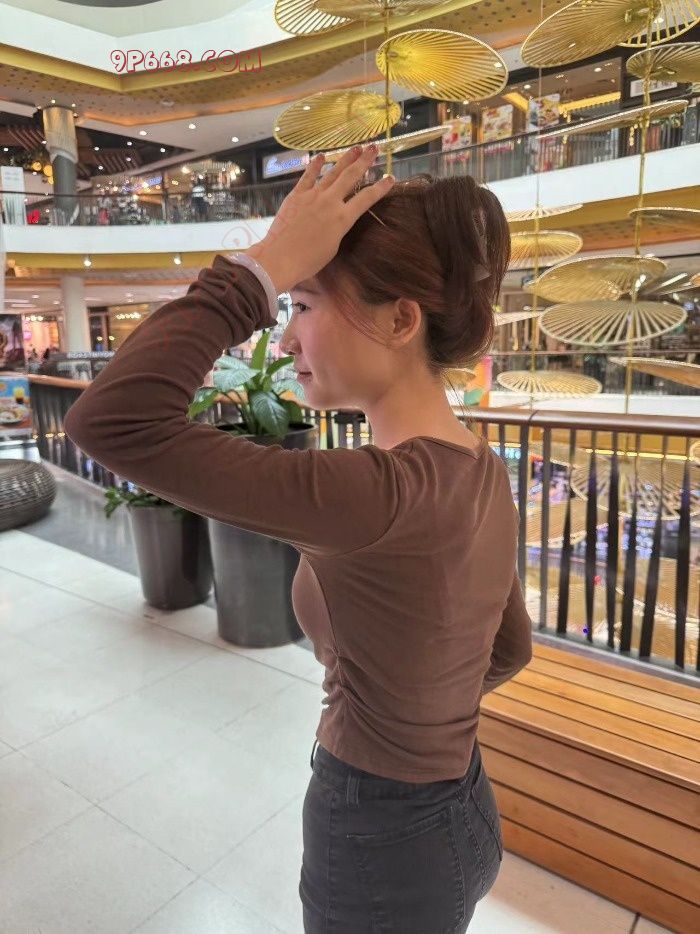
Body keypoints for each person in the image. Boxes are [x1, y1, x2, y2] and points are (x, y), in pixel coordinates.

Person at [63, 144, 533, 933]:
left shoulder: (375, 495)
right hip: (463, 813)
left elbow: (111, 420)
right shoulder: (478, 467)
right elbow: (509, 649)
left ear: (400, 320)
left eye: (304, 306)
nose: (283, 342)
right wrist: (421, 713)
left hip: (381, 839)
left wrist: (262, 267)